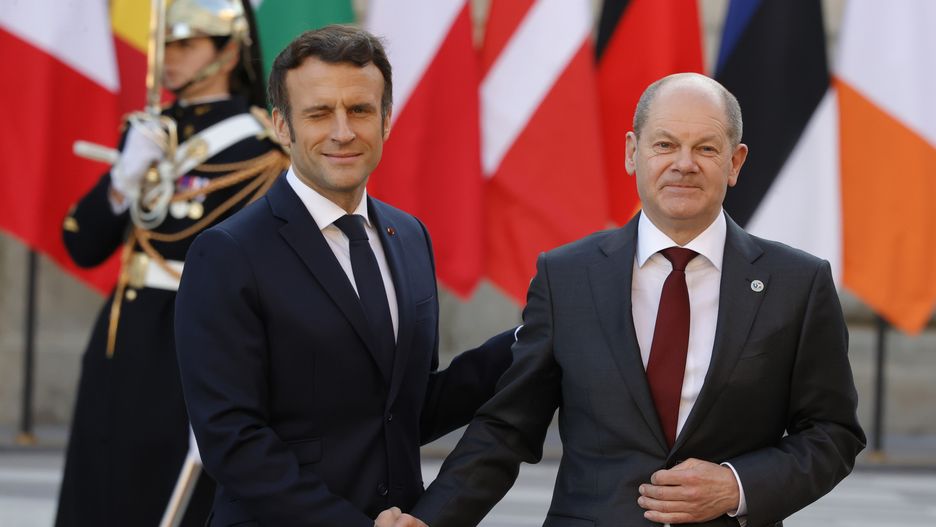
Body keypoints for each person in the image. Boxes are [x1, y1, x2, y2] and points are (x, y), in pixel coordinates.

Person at [384, 73, 866, 527]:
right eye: (664, 145)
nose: (683, 163)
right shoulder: (566, 276)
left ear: (735, 162)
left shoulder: (798, 283)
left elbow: (832, 433)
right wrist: (430, 519)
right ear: (632, 153)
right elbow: (508, 426)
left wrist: (736, 486)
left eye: (705, 148)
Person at [173, 25, 515, 527]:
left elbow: (404, 410)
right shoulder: (226, 253)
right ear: (282, 126)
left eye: (359, 110)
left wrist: (532, 337)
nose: (342, 131)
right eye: (318, 113)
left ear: (386, 120)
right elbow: (232, 441)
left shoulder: (409, 235)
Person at [56, 1, 289, 525]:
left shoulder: (264, 145)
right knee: (105, 485)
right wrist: (123, 179)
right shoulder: (146, 131)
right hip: (127, 336)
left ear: (229, 51)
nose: (168, 58)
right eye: (166, 45)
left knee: (178, 496)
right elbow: (83, 244)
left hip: (202, 339)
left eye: (186, 45)